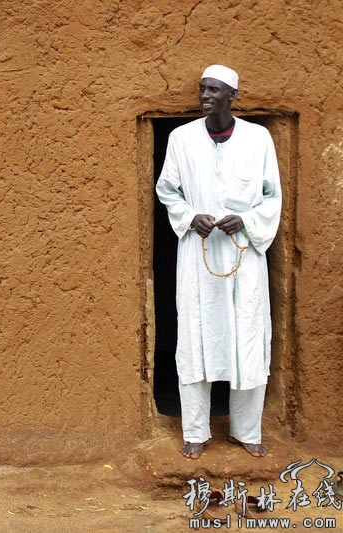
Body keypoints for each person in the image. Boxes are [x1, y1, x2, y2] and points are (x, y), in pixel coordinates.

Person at [155, 65, 282, 459]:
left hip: (245, 253)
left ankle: (247, 430)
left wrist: (246, 220)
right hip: (199, 251)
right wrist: (190, 216)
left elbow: (272, 196)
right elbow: (167, 190)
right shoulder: (181, 138)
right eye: (202, 89)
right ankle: (196, 430)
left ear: (233, 96)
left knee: (247, 332)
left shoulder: (258, 138)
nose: (205, 95)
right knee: (196, 334)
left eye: (214, 90)